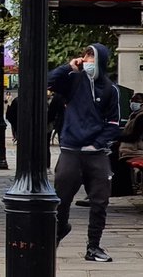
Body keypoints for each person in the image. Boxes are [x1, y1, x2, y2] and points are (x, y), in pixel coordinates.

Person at [49, 43, 121, 263]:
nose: (87, 61)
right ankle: (60, 229)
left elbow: (113, 124)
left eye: (92, 57)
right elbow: (49, 82)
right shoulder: (73, 80)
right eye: (85, 56)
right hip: (71, 150)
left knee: (100, 202)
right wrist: (68, 67)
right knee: (61, 199)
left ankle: (94, 246)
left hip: (96, 153)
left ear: (101, 61)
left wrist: (97, 143)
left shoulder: (110, 89)